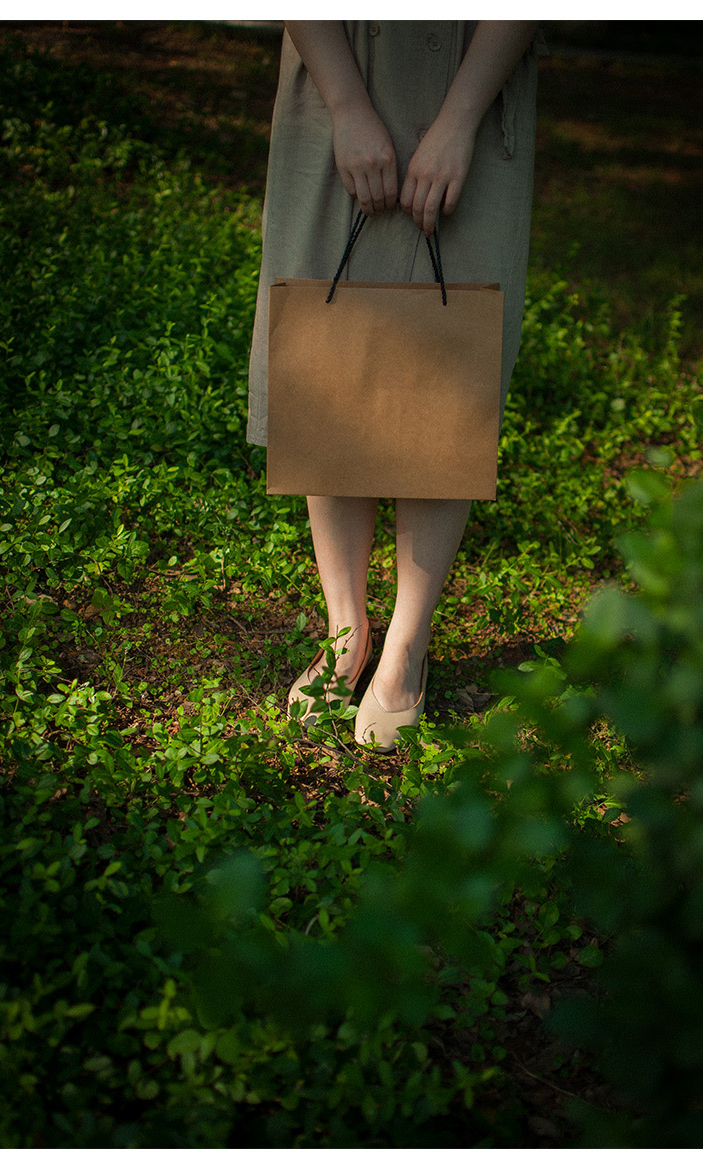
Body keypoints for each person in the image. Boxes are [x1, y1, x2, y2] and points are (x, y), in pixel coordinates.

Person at [247, 20, 542, 751]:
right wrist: (346, 106)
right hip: (336, 65)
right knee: (327, 343)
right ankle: (347, 630)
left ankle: (407, 642)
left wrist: (459, 119)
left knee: (451, 365)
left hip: (472, 75)